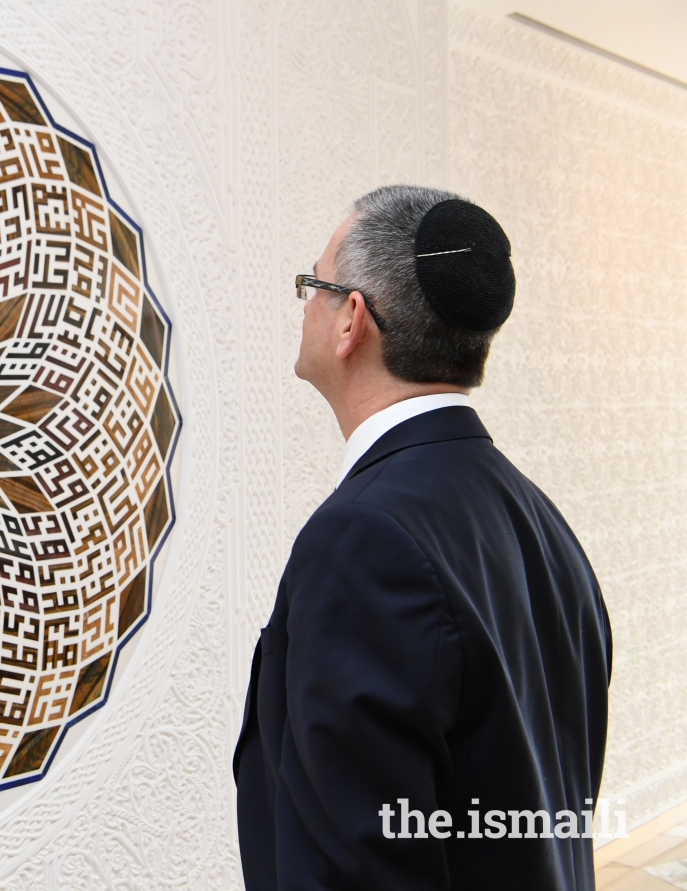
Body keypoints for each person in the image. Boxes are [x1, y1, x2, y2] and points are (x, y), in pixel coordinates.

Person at [234, 185, 611, 890]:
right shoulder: (537, 518)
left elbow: (357, 867)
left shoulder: (363, 541)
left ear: (351, 319)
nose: (304, 305)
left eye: (312, 286)